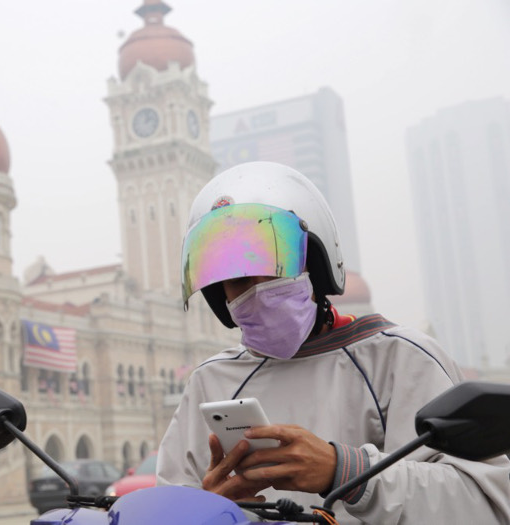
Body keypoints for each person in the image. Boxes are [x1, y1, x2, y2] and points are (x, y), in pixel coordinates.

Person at [156, 161, 510, 524]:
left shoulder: (398, 359)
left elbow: (488, 506)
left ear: (316, 262)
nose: (255, 290)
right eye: (236, 280)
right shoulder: (210, 383)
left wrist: (346, 472)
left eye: (269, 263)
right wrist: (208, 508)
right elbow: (168, 506)